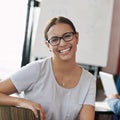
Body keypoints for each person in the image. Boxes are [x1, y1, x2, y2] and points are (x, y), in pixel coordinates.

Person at [0, 16, 96, 120]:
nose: (63, 43)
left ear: (76, 37)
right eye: (54, 40)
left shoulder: (89, 80)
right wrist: (22, 102)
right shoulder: (36, 69)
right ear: (48, 45)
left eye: (67, 36)